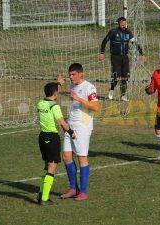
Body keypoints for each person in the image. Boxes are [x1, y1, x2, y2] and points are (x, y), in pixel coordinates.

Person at [57, 63, 100, 201]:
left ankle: (83, 191)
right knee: (66, 157)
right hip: (70, 126)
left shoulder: (89, 87)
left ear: (81, 74)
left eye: (73, 74)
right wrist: (60, 85)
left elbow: (96, 107)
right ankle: (73, 188)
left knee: (82, 158)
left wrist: (79, 99)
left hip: (83, 126)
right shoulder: (72, 86)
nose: (70, 77)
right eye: (69, 75)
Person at [36, 82, 75, 206]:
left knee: (47, 165)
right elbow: (62, 123)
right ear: (55, 93)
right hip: (52, 138)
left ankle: (41, 193)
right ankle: (45, 198)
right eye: (57, 91)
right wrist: (71, 132)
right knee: (52, 167)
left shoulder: (40, 103)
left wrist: (57, 83)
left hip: (42, 137)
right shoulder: (55, 106)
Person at [98, 17, 144, 101]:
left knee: (125, 77)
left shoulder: (128, 33)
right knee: (117, 77)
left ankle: (123, 95)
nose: (124, 26)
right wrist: (101, 53)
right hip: (115, 57)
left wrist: (142, 54)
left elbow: (135, 43)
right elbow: (105, 41)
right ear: (118, 24)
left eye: (125, 24)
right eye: (122, 24)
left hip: (125, 58)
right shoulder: (113, 32)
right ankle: (111, 90)